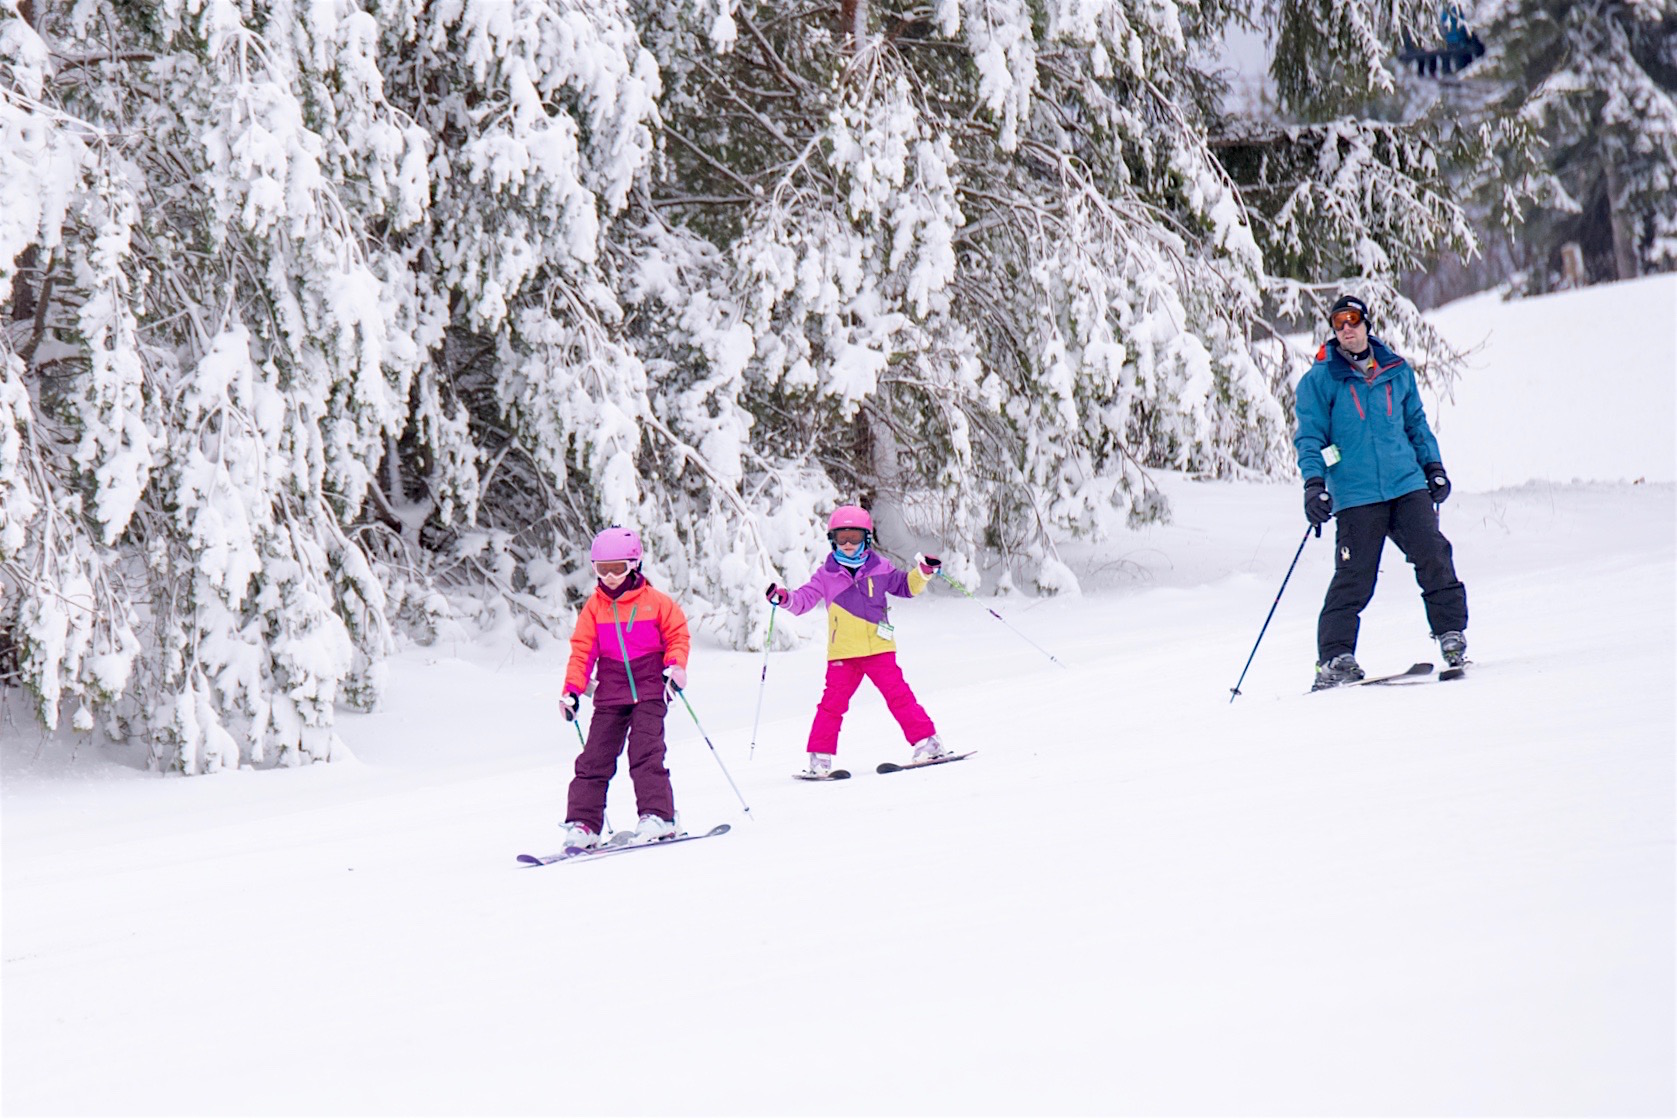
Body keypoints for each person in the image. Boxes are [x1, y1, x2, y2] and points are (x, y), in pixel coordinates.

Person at [1294, 294, 1469, 689]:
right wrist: (1314, 484)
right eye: (1339, 324)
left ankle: (1451, 635)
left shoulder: (1395, 371)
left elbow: (1417, 426)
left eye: (1353, 320)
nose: (1347, 329)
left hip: (1405, 483)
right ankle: (1335, 658)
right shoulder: (1321, 380)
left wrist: (1434, 468)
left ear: (1366, 324)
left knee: (1433, 553)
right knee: (1355, 577)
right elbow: (1310, 437)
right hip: (1356, 494)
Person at [766, 505, 948, 775]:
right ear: (833, 540)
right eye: (842, 538)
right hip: (844, 654)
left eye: (854, 537)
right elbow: (803, 600)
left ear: (866, 538)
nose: (848, 544)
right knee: (831, 705)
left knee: (899, 696)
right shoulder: (826, 575)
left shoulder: (880, 568)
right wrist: (785, 599)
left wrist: (922, 573)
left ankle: (928, 743)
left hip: (879, 649)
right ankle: (819, 759)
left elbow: (905, 586)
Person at [557, 527, 691, 848]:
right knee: (594, 759)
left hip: (650, 689)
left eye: (618, 568)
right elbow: (582, 651)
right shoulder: (594, 607)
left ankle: (659, 816)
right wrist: (572, 690)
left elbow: (678, 635)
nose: (612, 577)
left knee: (645, 753)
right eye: (603, 570)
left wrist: (675, 666)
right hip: (610, 693)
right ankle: (585, 824)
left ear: (635, 564)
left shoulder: (657, 603)